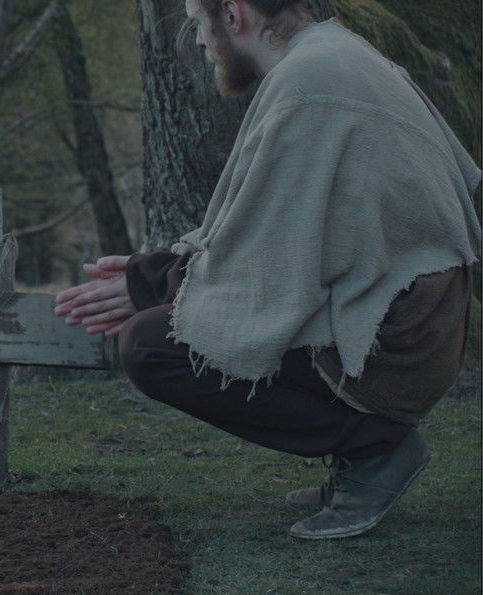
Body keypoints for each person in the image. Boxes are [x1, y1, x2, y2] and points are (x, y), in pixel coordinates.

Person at [55, 0, 481, 540]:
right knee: (165, 327)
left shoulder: (306, 84)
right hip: (411, 325)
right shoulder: (336, 53)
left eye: (198, 22)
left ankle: (378, 448)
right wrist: (156, 276)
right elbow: (286, 237)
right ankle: (365, 450)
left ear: (233, 15)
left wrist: (152, 285)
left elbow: (268, 262)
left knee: (150, 347)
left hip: (392, 344)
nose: (199, 40)